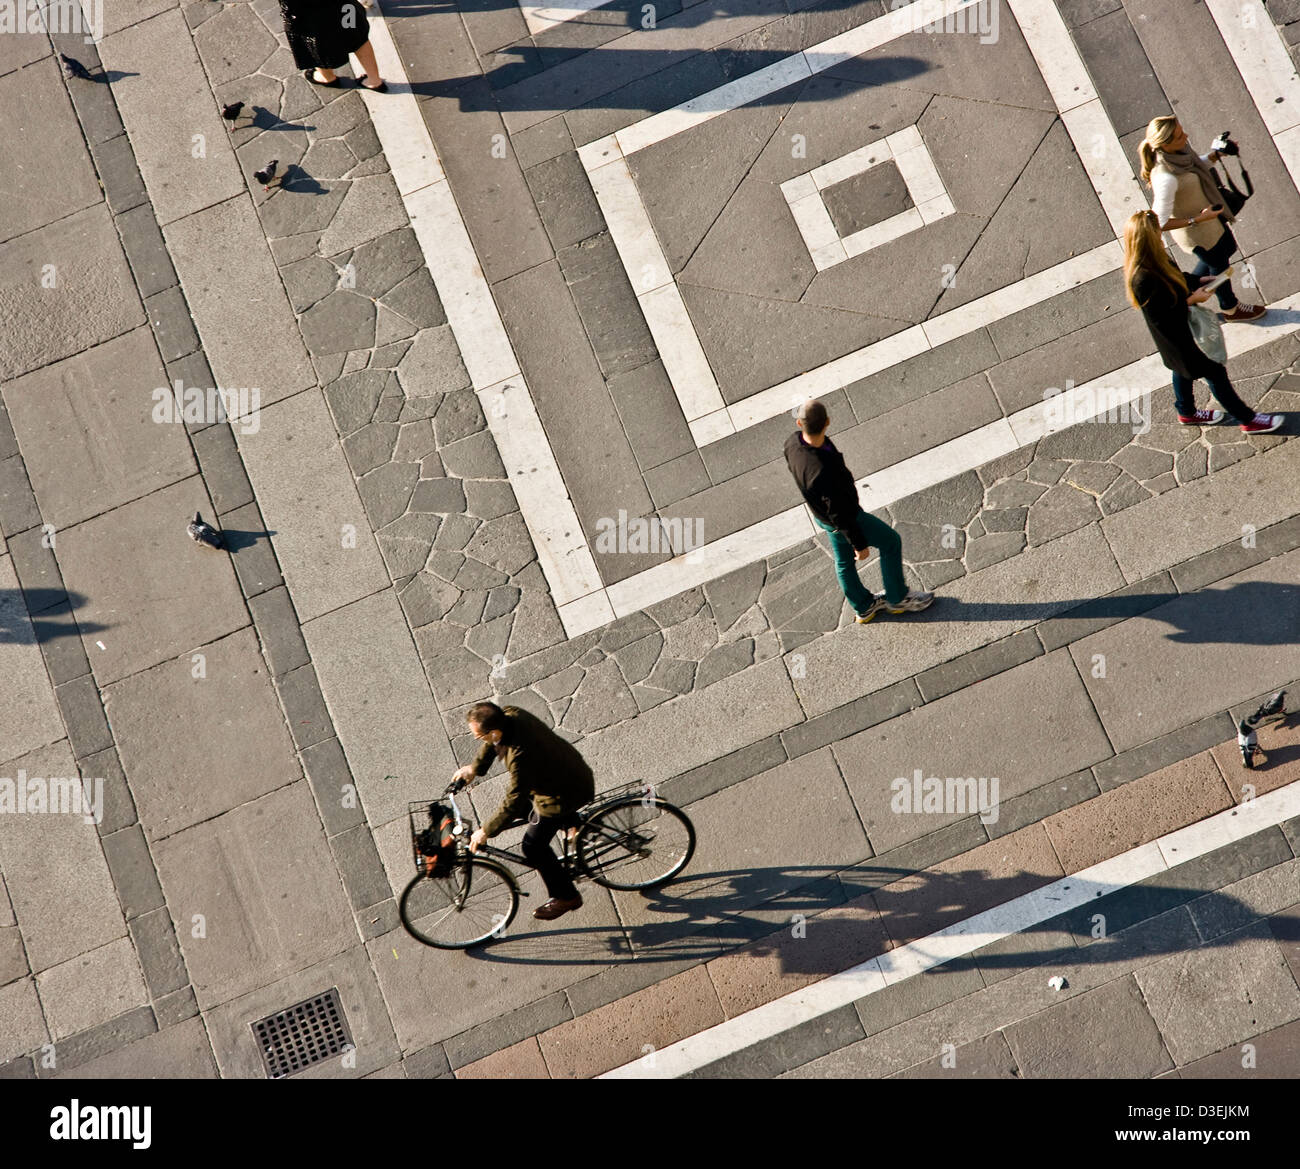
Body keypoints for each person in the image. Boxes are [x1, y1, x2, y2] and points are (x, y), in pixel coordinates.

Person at [1123, 211, 1281, 434]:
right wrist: (1192, 299)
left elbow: (1176, 279)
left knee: (1180, 371)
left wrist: (1198, 280)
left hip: (1177, 341)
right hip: (1179, 338)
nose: (1161, 235)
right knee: (1215, 373)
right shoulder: (1143, 278)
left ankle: (1186, 412)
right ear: (1148, 238)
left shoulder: (1154, 260)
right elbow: (1163, 316)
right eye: (1157, 233)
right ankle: (1249, 420)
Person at [783, 399, 934, 624]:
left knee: (844, 563)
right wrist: (859, 543)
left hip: (823, 518)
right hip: (847, 518)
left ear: (799, 424)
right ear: (827, 422)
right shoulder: (822, 470)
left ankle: (864, 607)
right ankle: (897, 598)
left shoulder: (792, 444)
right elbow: (839, 512)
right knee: (890, 541)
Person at [452, 702, 595, 920]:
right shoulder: (509, 714)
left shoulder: (520, 755)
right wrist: (475, 768)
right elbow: (492, 742)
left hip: (563, 793)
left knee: (533, 846)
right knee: (526, 812)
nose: (478, 739)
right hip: (563, 771)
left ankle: (567, 897)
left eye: (479, 736)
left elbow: (515, 799)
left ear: (494, 730)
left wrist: (486, 831)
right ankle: (571, 824)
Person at [1138, 115, 1263, 321]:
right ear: (1165, 144)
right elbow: (1157, 223)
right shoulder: (1165, 178)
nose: (1185, 136)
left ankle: (1187, 291)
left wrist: (1216, 155)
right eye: (1179, 136)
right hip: (1198, 233)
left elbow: (1194, 168)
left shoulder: (1180, 153)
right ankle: (1230, 308)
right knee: (1220, 267)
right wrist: (1197, 219)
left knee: (1226, 251)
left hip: (1211, 223)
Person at [278, 0, 388, 91]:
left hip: (307, 10)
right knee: (357, 35)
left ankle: (327, 77)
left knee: (313, 38)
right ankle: (374, 80)